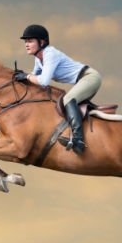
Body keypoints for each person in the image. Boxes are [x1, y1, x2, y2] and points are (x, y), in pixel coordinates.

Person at [14, 24, 101, 154]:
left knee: (68, 99)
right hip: (83, 79)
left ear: (42, 42)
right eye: (26, 41)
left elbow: (43, 81)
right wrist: (21, 77)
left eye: (30, 41)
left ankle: (78, 141)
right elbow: (34, 79)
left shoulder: (50, 54)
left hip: (90, 77)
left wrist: (26, 76)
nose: (26, 44)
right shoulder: (39, 58)